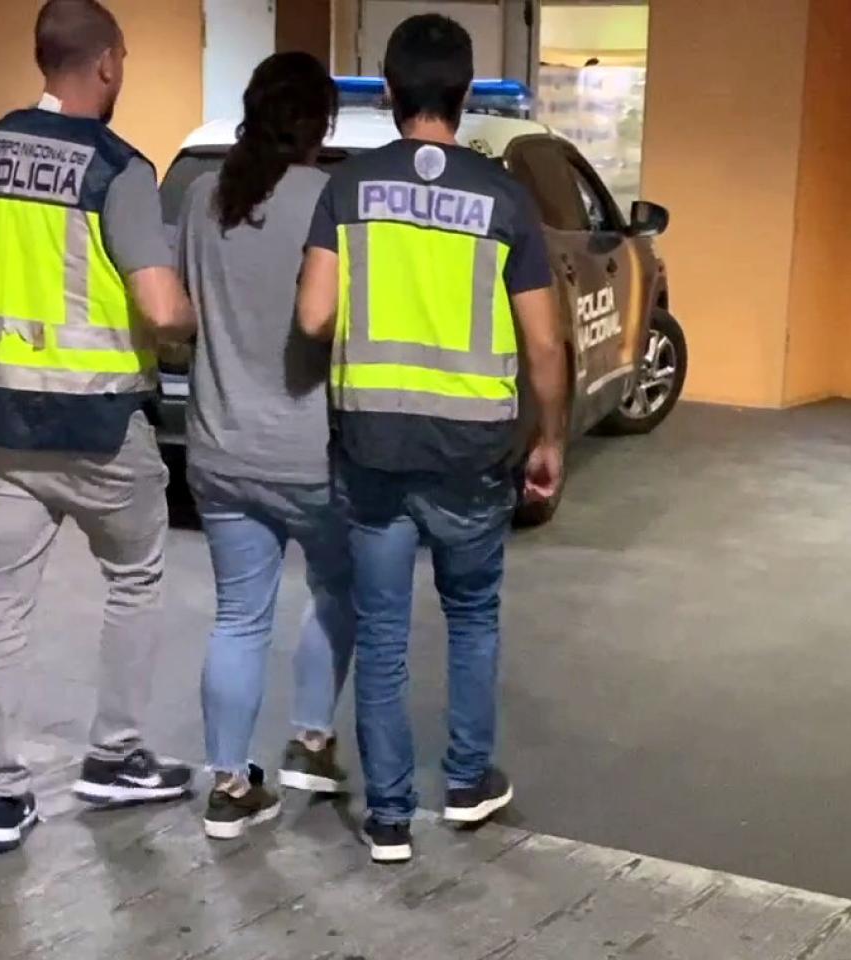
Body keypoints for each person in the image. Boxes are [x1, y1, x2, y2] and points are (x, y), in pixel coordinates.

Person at [296, 14, 569, 864]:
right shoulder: (503, 199)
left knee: (380, 633)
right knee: (472, 616)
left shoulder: (346, 190)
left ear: (386, 92)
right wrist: (549, 437)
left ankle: (386, 818)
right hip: (473, 455)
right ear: (463, 93)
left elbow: (312, 316)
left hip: (373, 449)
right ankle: (465, 782)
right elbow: (546, 343)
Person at [0, 0, 197, 854]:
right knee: (136, 578)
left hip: (0, 427)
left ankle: (2, 798)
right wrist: (199, 319)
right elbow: (160, 309)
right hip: (96, 430)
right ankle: (114, 757)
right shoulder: (117, 170)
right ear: (107, 65)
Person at [174, 52, 352, 841]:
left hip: (219, 449)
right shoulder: (331, 201)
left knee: (239, 618)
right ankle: (312, 742)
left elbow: (182, 319)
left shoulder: (204, 199)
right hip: (313, 454)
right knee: (339, 594)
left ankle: (227, 785)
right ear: (324, 124)